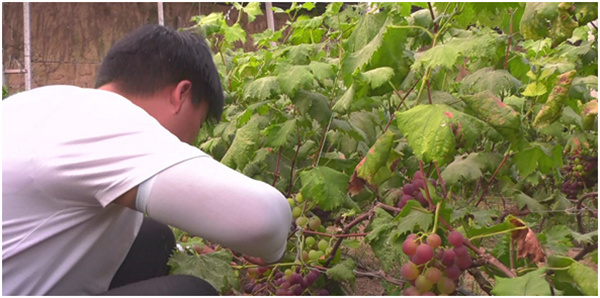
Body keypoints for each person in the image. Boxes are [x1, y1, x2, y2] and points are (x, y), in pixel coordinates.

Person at [2, 24, 293, 295]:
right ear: (181, 94)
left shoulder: (45, 104)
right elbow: (265, 221)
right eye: (200, 121)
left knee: (153, 238)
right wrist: (272, 250)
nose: (194, 139)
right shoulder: (108, 120)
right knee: (191, 293)